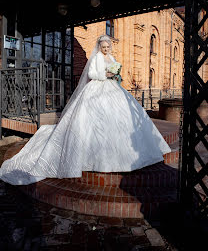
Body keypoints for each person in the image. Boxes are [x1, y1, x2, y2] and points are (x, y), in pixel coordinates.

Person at [0, 35, 171, 185]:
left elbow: (115, 72)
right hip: (97, 89)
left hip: (113, 89)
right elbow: (91, 73)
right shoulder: (96, 57)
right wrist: (106, 75)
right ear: (99, 47)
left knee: (120, 120)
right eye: (103, 47)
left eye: (107, 47)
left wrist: (116, 75)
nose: (105, 49)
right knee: (93, 123)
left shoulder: (111, 56)